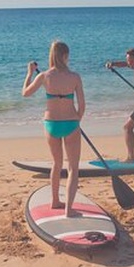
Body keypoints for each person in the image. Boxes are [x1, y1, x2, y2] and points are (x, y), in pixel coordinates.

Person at [22, 41, 86, 216]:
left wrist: (29, 74)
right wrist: (77, 119)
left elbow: (25, 93)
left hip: (51, 124)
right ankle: (69, 209)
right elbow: (82, 104)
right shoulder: (75, 77)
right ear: (65, 56)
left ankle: (55, 201)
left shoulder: (44, 76)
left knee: (56, 164)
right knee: (73, 167)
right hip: (71, 123)